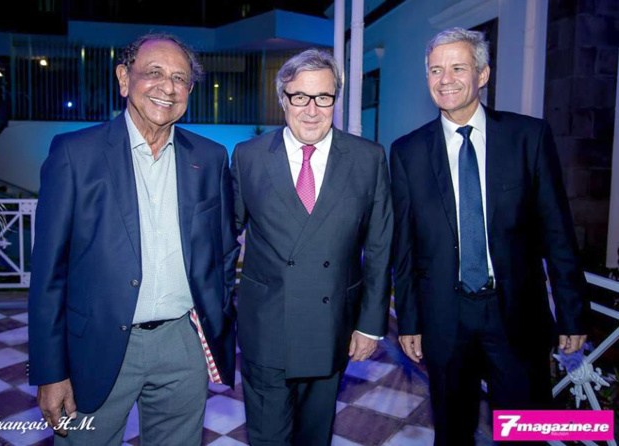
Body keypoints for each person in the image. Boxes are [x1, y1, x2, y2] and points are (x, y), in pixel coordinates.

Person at [28, 33, 239, 445]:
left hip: (182, 344)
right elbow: (49, 273)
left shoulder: (210, 157)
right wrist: (50, 371)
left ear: (190, 91)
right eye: (154, 73)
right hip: (95, 346)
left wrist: (212, 318)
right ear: (125, 79)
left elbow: (224, 250)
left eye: (180, 78)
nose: (168, 87)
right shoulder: (74, 154)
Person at [390, 27, 588, 445]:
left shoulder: (528, 137)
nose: (445, 79)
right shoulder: (407, 152)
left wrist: (572, 312)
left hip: (516, 316)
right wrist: (409, 320)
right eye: (435, 70)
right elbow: (404, 247)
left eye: (458, 68)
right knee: (452, 433)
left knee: (524, 433)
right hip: (445, 319)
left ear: (482, 74)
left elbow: (558, 232)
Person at [231, 48, 393, 446]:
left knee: (315, 437)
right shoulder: (248, 156)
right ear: (282, 99)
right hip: (266, 326)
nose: (311, 109)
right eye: (300, 96)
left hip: (331, 325)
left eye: (323, 97)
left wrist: (370, 324)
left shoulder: (368, 158)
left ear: (336, 99)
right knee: (268, 438)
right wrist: (217, 314)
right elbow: (223, 239)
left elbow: (379, 247)